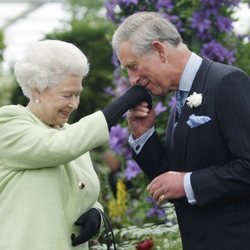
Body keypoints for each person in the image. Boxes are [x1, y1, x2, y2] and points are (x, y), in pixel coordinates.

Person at [111, 11, 250, 250]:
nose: (132, 79)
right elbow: (171, 178)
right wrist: (144, 135)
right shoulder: (180, 100)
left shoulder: (226, 82)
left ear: (159, 50)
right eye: (127, 70)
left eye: (133, 66)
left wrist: (188, 184)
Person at [0, 39, 151, 250]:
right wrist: (124, 102)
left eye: (77, 94)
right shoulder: (7, 123)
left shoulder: (71, 134)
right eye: (67, 95)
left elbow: (80, 192)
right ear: (36, 90)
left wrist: (96, 213)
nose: (74, 103)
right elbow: (59, 148)